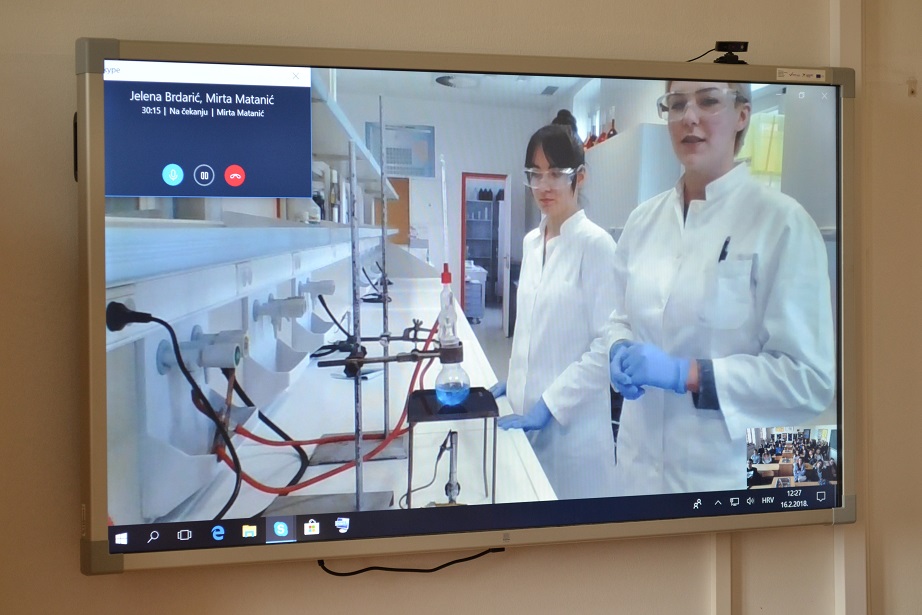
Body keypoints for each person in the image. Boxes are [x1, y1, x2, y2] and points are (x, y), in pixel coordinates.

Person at [598, 80, 836, 495]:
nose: (689, 117)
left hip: (725, 478)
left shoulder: (783, 223)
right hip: (636, 471)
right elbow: (619, 316)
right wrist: (617, 346)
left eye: (708, 101)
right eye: (676, 104)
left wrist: (690, 374)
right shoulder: (642, 221)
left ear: (742, 115)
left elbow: (810, 379)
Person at [491, 122, 618, 500]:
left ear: (580, 177)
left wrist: (549, 404)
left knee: (569, 531)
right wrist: (515, 378)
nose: (544, 185)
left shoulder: (597, 246)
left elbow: (607, 347)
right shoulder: (531, 243)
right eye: (535, 174)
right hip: (523, 420)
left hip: (573, 436)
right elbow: (532, 327)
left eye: (556, 173)